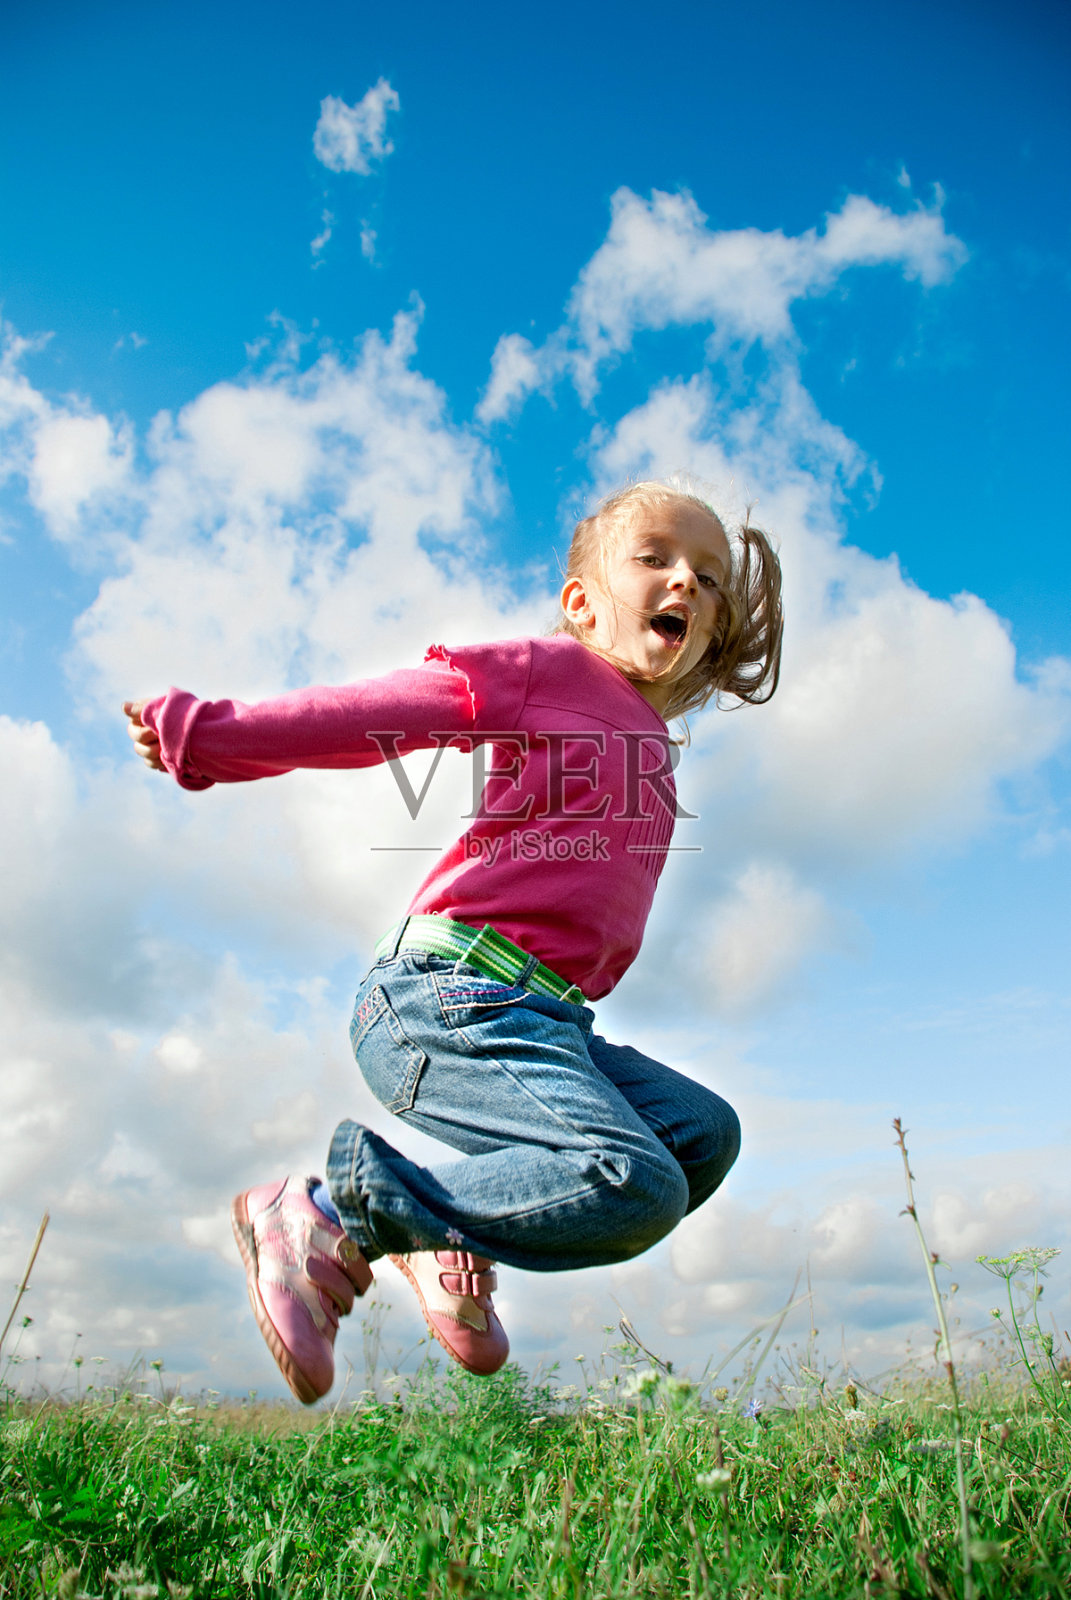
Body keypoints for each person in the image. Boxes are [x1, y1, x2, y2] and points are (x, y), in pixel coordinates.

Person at [124, 480, 783, 1404]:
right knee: (635, 1181)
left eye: (710, 579)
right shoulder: (546, 672)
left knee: (701, 1135)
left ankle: (437, 1234)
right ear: (582, 605)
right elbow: (380, 712)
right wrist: (216, 738)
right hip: (446, 997)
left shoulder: (648, 736)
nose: (687, 584)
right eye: (657, 560)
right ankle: (324, 1216)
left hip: (547, 1021)